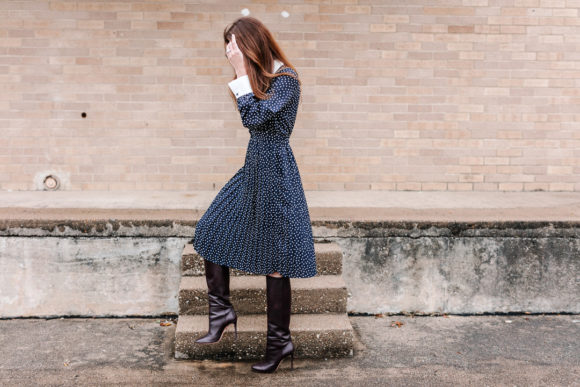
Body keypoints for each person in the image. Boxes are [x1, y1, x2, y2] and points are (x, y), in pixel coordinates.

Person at [191, 16, 317, 373]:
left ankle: (279, 342)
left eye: (236, 46)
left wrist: (241, 75)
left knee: (276, 261)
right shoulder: (258, 81)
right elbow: (252, 117)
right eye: (228, 48)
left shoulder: (287, 80)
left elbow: (254, 118)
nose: (232, 53)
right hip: (254, 168)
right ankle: (222, 311)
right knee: (210, 230)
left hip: (275, 171)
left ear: (253, 43)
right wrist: (243, 77)